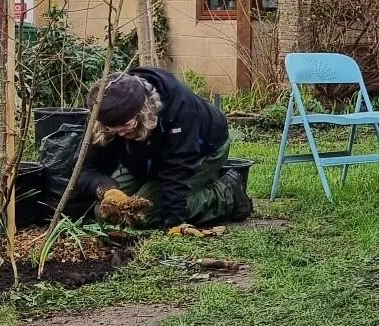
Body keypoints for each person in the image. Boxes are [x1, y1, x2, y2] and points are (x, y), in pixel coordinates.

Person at [63, 67, 252, 231]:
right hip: (146, 159)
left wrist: (172, 220)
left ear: (143, 111)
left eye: (126, 126)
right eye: (113, 130)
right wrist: (106, 189)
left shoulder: (177, 106)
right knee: (106, 213)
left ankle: (226, 193)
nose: (119, 134)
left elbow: (178, 168)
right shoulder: (104, 110)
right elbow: (85, 169)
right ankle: (157, 190)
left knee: (143, 215)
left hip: (202, 150)